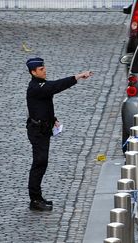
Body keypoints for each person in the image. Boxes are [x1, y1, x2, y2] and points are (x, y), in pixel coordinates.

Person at [25, 57, 93, 211]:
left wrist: (53, 118)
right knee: (39, 163)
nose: (45, 70)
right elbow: (56, 86)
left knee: (42, 163)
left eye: (44, 68)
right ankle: (35, 200)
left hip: (44, 129)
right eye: (41, 69)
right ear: (33, 72)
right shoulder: (36, 87)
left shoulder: (40, 87)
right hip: (38, 132)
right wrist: (78, 76)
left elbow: (42, 106)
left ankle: (37, 197)